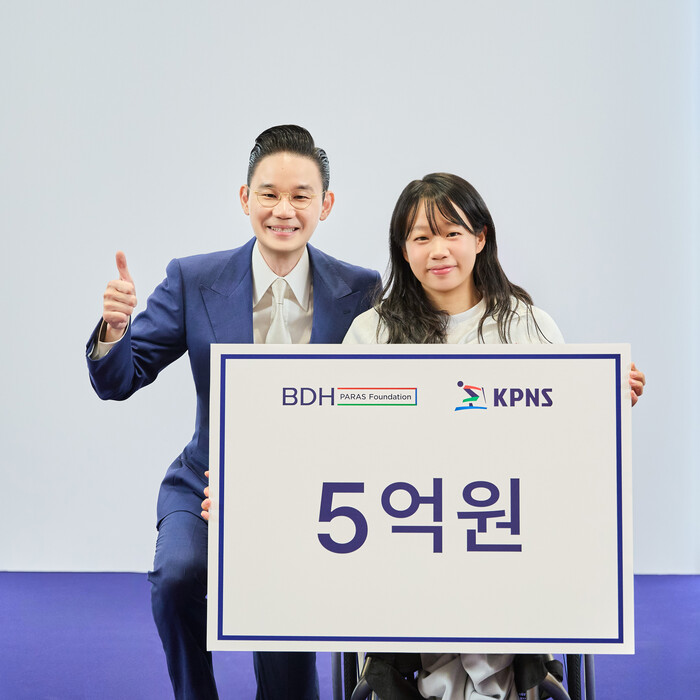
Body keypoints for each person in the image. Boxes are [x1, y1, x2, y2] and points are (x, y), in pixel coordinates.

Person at [86, 125, 381, 700]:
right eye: (268, 193)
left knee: (289, 669)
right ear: (245, 198)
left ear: (325, 205)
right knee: (177, 575)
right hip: (206, 482)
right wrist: (115, 332)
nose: (283, 210)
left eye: (300, 196)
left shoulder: (360, 290)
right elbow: (120, 379)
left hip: (309, 497)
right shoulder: (194, 279)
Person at [341, 172, 645, 700]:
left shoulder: (526, 324)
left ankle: (487, 675)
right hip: (406, 524)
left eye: (452, 233)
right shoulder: (372, 332)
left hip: (505, 523)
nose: (438, 250)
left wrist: (605, 399)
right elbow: (342, 437)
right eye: (421, 237)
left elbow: (565, 430)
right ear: (403, 251)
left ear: (480, 238)